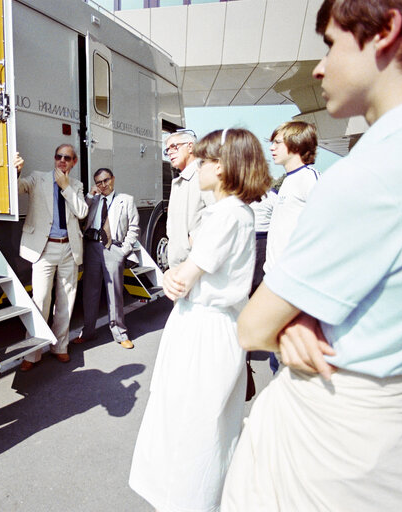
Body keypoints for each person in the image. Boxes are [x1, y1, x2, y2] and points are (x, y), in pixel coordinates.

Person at [222, 1, 402, 510]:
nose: (320, 66)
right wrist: (299, 311)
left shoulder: (374, 174)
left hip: (331, 446)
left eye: (331, 42)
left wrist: (288, 317)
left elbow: (253, 328)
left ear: (387, 30)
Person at [130, 128, 271, 512]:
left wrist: (170, 275)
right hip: (206, 326)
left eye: (205, 160)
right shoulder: (232, 213)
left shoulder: (227, 215)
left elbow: (180, 281)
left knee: (194, 428)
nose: (199, 165)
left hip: (204, 329)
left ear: (224, 168)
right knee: (201, 426)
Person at [17, 143, 88, 370]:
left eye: (67, 158)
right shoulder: (38, 178)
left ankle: (60, 347)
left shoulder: (76, 185)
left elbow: (82, 212)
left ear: (74, 162)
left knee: (66, 302)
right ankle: (33, 353)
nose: (62, 161)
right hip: (44, 249)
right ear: (54, 157)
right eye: (59, 156)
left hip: (69, 248)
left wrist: (65, 187)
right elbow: (17, 188)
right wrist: (15, 171)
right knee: (40, 301)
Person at [73, 168, 141, 349]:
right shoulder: (92, 200)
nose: (103, 185)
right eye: (99, 182)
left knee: (115, 293)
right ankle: (88, 332)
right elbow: (80, 216)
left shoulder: (125, 200)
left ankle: (120, 333)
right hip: (92, 247)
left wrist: (124, 250)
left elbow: (134, 227)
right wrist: (89, 195)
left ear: (113, 179)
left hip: (113, 248)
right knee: (90, 292)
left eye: (106, 180)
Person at [262, 120, 319, 276]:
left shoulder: (308, 178)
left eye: (277, 143)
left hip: (294, 275)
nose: (271, 147)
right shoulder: (288, 180)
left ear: (297, 144)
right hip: (275, 274)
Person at [164, 130, 216, 270]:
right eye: (167, 150)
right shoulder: (180, 180)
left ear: (190, 147)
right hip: (180, 262)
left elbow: (216, 215)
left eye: (174, 146)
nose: (169, 152)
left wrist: (190, 242)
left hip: (194, 263)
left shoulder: (203, 174)